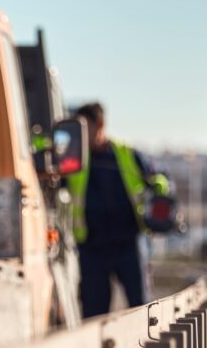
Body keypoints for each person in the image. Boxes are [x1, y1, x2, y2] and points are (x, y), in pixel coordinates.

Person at [66, 102, 170, 318]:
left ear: (100, 124)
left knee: (141, 309)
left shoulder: (127, 155)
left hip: (128, 245)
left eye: (86, 128)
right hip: (91, 248)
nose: (82, 135)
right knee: (94, 315)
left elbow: (159, 179)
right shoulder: (74, 159)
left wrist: (158, 190)